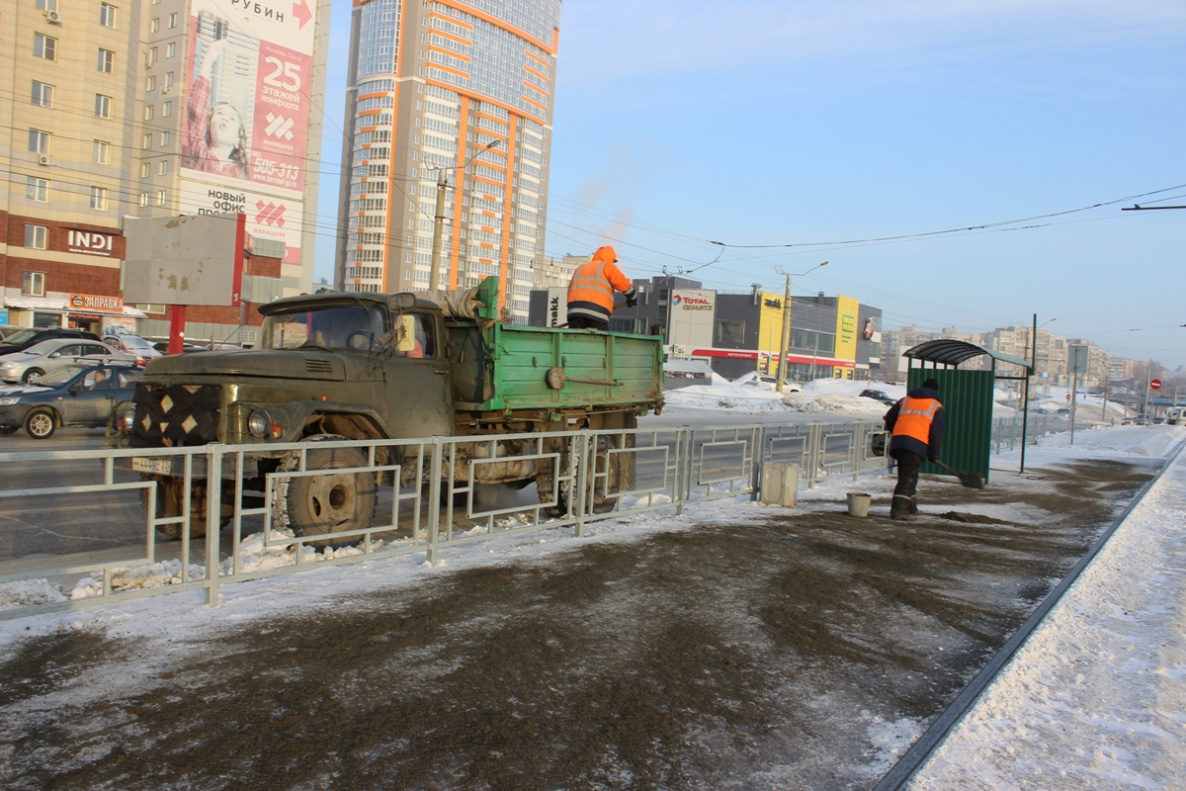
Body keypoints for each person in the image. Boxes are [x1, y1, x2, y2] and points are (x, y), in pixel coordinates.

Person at [182, 39, 250, 180]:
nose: (225, 118)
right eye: (219, 114)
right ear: (207, 128)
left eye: (232, 118)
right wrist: (208, 61)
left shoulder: (239, 174)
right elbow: (197, 110)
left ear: (237, 140)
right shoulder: (199, 152)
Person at [882, 378, 945, 520]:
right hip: (916, 443)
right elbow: (936, 432)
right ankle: (898, 510)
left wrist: (897, 433)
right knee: (908, 478)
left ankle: (911, 507)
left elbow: (889, 417)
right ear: (936, 391)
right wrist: (934, 453)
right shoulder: (936, 406)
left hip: (899, 442)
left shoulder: (905, 400)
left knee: (907, 475)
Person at [566, 245, 637, 330]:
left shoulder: (579, 269)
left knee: (575, 341)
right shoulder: (607, 266)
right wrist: (632, 296)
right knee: (599, 342)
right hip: (596, 313)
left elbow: (570, 290)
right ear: (610, 258)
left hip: (574, 313)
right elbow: (622, 283)